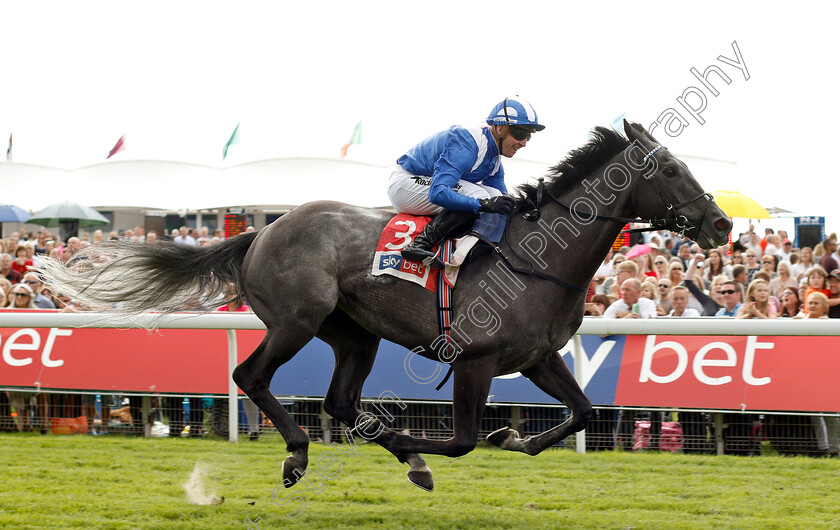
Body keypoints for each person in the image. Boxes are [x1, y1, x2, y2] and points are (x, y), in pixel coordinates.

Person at [389, 96, 544, 268]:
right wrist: (482, 204)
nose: (523, 143)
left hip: (422, 186)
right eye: (520, 133)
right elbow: (438, 192)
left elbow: (502, 201)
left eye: (528, 137)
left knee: (496, 197)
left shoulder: (494, 161)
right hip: (404, 184)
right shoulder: (467, 143)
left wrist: (526, 209)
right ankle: (421, 243)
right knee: (480, 196)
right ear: (500, 128)